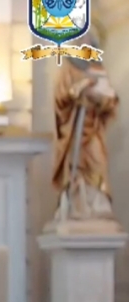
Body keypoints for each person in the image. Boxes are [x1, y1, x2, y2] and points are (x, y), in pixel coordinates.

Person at [50, 33, 118, 224]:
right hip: (74, 129)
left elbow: (111, 102)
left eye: (89, 42)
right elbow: (61, 100)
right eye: (82, 42)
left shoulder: (99, 70)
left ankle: (97, 205)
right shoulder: (69, 70)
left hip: (93, 128)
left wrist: (101, 99)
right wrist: (80, 89)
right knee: (75, 163)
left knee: (98, 160)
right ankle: (77, 204)